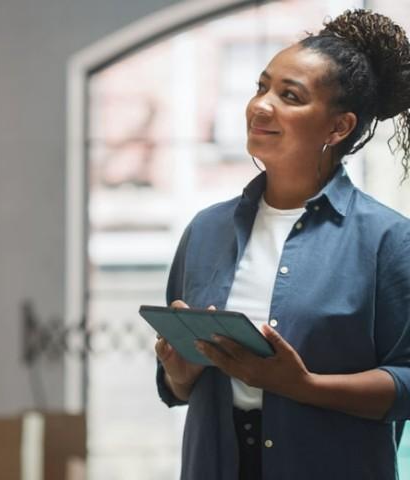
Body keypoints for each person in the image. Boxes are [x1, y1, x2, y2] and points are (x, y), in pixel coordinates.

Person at [154, 9, 410, 480]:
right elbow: (179, 388)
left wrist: (304, 385)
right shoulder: (206, 230)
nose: (261, 106)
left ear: (338, 128)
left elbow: (407, 382)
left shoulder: (389, 240)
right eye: (261, 86)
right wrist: (180, 372)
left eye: (289, 96)